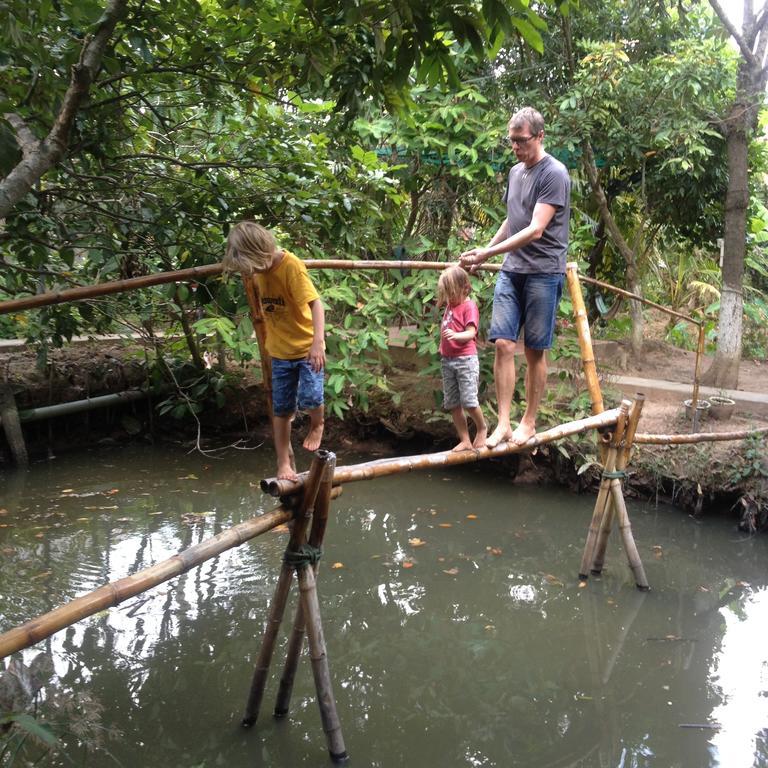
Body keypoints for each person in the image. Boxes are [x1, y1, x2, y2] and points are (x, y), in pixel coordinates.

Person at [459, 106, 570, 448]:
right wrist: (484, 251)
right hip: (512, 269)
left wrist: (487, 254)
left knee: (535, 351)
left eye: (522, 141)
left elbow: (536, 229)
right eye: (512, 141)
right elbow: (513, 219)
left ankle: (529, 421)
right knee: (503, 344)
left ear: (539, 136)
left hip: (543, 271)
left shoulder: (555, 173)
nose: (516, 147)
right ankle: (504, 422)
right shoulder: (515, 172)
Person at [223, 221, 325, 481]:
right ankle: (283, 463)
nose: (253, 271)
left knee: (311, 397)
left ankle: (318, 424)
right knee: (281, 409)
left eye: (253, 265)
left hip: (304, 348)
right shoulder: (256, 273)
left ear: (261, 251)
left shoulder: (291, 266)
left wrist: (317, 343)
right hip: (279, 353)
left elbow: (316, 305)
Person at [437, 266, 487, 451]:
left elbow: (471, 332)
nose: (449, 298)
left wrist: (455, 336)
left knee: (469, 401)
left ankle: (482, 428)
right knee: (452, 403)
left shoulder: (469, 306)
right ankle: (465, 439)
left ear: (465, 288)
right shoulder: (450, 304)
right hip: (447, 360)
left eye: (452, 293)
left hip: (465, 360)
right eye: (447, 294)